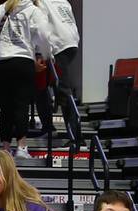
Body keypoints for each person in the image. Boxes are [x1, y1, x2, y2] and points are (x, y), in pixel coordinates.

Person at [0, 0, 53, 160]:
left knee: (5, 108)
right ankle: (22, 147)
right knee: (21, 105)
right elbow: (44, 35)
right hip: (23, 61)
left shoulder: (2, 8)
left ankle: (5, 148)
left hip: (1, 62)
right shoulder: (34, 11)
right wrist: (44, 55)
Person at [34, 0, 81, 142]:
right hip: (71, 44)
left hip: (58, 45)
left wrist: (39, 52)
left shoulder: (41, 2)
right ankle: (50, 127)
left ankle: (75, 137)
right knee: (45, 86)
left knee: (62, 90)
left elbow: (42, 28)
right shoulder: (63, 1)